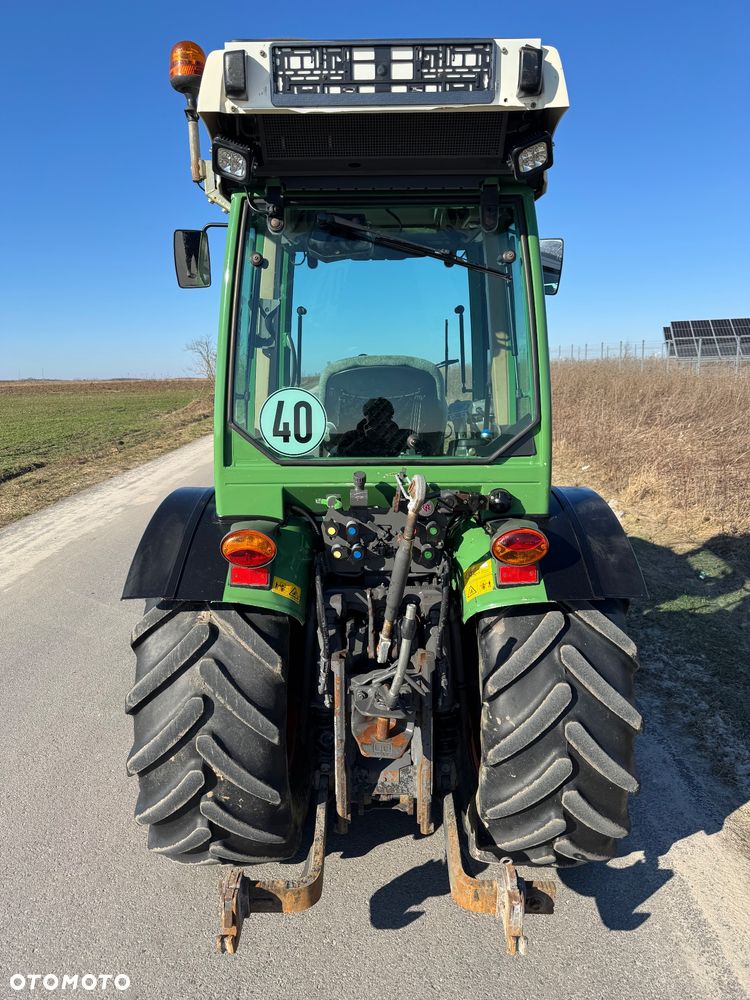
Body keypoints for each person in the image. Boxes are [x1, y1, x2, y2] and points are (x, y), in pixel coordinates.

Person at [336, 397, 413, 457]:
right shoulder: (350, 437)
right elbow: (340, 457)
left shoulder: (403, 436)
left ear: (390, 417)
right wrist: (365, 439)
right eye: (374, 415)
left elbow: (418, 455)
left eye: (384, 414)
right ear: (366, 416)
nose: (379, 420)